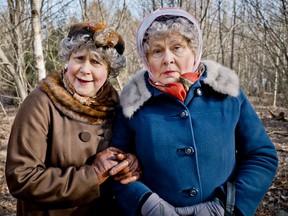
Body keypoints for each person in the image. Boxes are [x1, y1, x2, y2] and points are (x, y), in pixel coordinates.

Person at [109, 7, 278, 216]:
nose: (167, 59)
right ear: (146, 59)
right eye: (157, 51)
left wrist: (226, 206)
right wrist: (147, 205)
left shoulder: (227, 95)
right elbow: (115, 167)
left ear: (193, 51)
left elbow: (262, 155)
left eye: (177, 47)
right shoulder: (132, 104)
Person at [5, 21, 141, 216]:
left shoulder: (117, 107)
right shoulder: (40, 102)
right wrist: (92, 175)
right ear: (67, 60)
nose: (85, 69)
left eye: (96, 62)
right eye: (79, 58)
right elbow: (22, 178)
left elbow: (128, 156)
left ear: (109, 70)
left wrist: (130, 164)